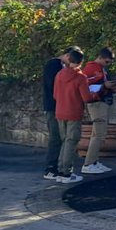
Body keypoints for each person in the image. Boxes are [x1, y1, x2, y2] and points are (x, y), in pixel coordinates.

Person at [53, 48, 97, 184]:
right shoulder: (80, 77)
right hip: (73, 112)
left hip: (60, 111)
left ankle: (60, 170)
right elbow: (86, 98)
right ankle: (67, 172)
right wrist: (96, 93)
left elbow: (55, 95)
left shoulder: (59, 74)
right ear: (81, 62)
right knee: (71, 142)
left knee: (64, 141)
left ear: (69, 59)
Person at [80, 47, 116, 175]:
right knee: (98, 134)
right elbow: (85, 85)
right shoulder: (91, 68)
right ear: (100, 58)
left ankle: (94, 161)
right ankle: (89, 163)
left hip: (102, 101)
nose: (108, 64)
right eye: (107, 62)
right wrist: (103, 86)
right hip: (96, 102)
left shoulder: (101, 69)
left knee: (99, 133)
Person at [41, 47, 76, 180]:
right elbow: (53, 85)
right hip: (53, 106)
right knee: (56, 137)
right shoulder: (53, 65)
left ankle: (59, 166)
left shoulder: (61, 67)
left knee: (63, 137)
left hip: (60, 106)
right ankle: (51, 167)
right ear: (67, 56)